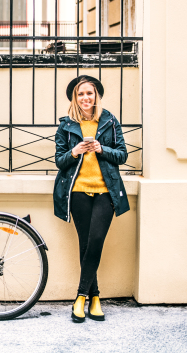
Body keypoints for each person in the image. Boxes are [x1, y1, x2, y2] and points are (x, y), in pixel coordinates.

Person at [53, 75, 130, 323]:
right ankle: (94, 298)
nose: (85, 98)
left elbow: (122, 155)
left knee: (96, 240)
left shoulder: (109, 121)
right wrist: (74, 152)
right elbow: (59, 161)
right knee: (85, 245)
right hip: (77, 192)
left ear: (96, 95)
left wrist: (101, 149)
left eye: (89, 93)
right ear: (75, 99)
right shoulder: (66, 126)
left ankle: (80, 297)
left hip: (106, 191)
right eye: (80, 94)